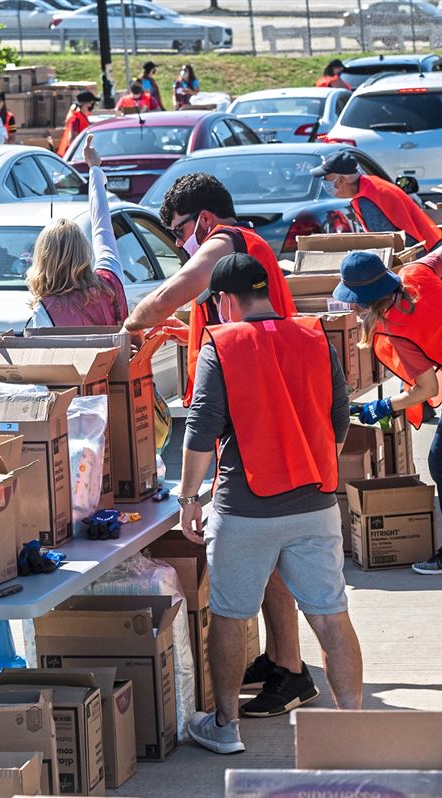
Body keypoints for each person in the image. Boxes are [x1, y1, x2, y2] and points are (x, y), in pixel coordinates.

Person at [122, 173, 311, 717]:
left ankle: (292, 670)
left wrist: (129, 327)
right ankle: (283, 661)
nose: (180, 241)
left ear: (202, 221)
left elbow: (167, 293)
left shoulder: (224, 242)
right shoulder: (245, 252)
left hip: (253, 411)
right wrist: (184, 332)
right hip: (256, 404)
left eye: (179, 230)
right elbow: (209, 315)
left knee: (264, 547)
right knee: (270, 551)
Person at [180, 252, 363, 755]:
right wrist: (314, 469)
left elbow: (200, 433)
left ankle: (226, 727)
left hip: (245, 507)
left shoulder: (223, 344)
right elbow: (339, 419)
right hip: (316, 502)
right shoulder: (312, 335)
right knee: (330, 615)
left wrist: (188, 498)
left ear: (225, 300)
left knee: (230, 616)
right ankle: (355, 722)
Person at [335, 176, 442, 575]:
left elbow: (424, 388)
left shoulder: (392, 327)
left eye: (353, 303)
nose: (352, 311)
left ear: (367, 302)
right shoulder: (416, 276)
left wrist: (385, 405)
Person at [26, 135, 128, 327]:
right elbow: (102, 225)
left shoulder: (44, 310)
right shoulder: (110, 282)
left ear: (42, 259)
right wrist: (95, 169)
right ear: (83, 251)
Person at [311, 151, 442, 253]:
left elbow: (385, 247)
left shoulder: (367, 201)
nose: (324, 183)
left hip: (422, 256)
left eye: (326, 178)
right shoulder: (371, 185)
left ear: (341, 180)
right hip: (427, 250)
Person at [57, 90, 98, 157]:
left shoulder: (83, 116)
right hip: (75, 155)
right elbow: (72, 140)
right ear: (87, 103)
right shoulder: (76, 119)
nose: (93, 105)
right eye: (92, 102)